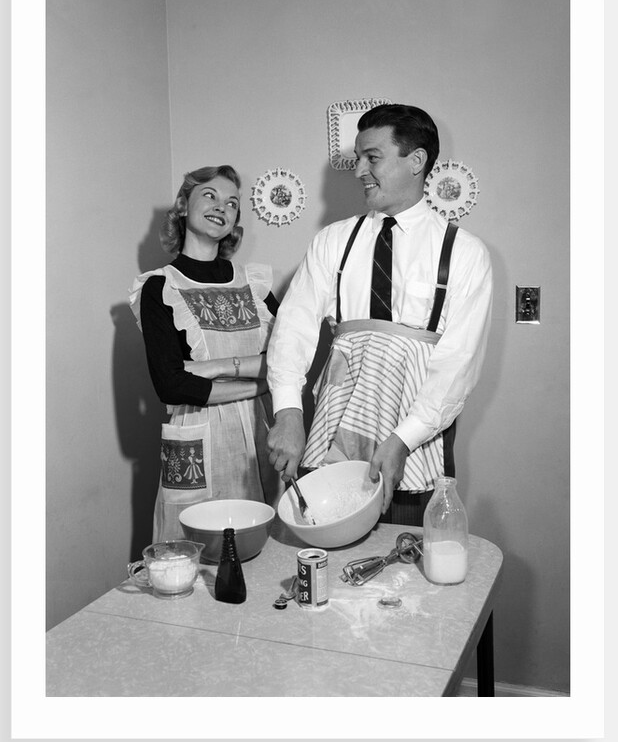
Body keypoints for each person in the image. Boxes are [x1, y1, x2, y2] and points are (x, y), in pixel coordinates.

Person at [266, 104, 493, 524]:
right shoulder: (333, 241)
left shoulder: (464, 252)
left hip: (416, 442)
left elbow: (458, 363)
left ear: (416, 160)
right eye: (358, 158)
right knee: (327, 547)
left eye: (372, 157)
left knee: (407, 554)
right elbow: (292, 329)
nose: (359, 171)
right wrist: (288, 414)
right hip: (332, 433)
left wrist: (403, 440)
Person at [129, 164, 281, 541]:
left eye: (232, 203)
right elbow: (172, 385)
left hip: (259, 432)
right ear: (183, 205)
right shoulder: (160, 288)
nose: (221, 207)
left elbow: (287, 361)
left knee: (264, 541)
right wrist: (260, 383)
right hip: (197, 436)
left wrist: (212, 368)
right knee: (194, 549)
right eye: (209, 195)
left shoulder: (254, 285)